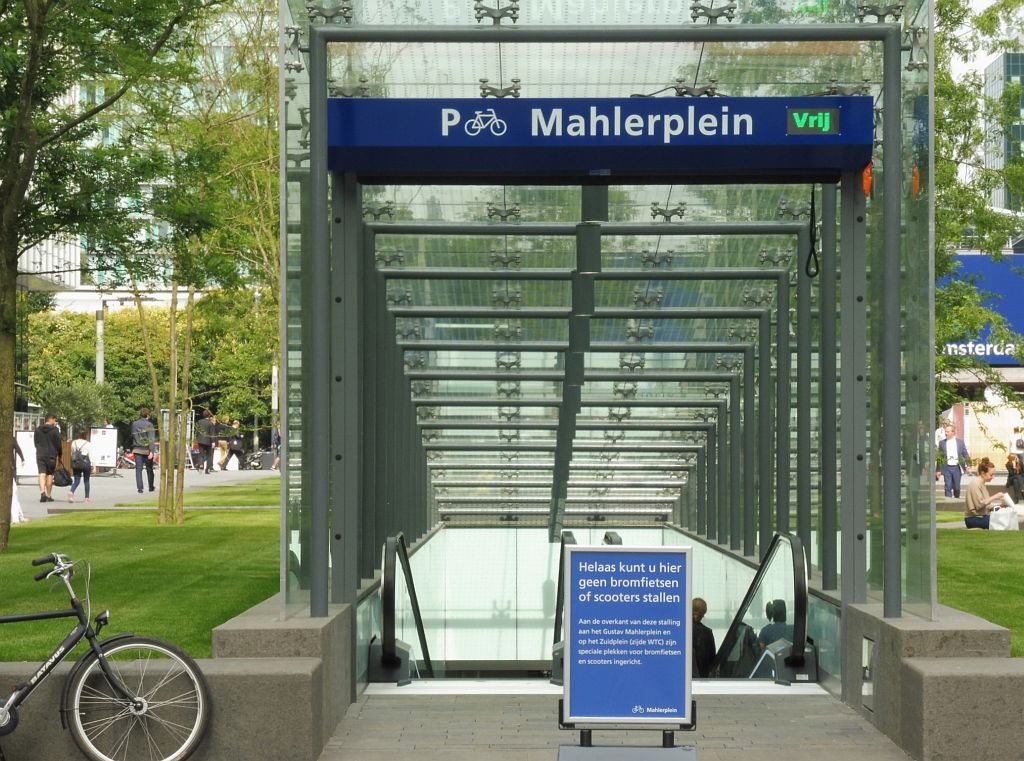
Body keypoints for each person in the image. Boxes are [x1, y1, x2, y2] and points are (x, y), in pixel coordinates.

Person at [964, 457, 1024, 528]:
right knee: (1003, 521)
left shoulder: (981, 484)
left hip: (980, 517)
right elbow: (979, 505)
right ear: (983, 473)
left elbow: (987, 505)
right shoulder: (975, 484)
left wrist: (1000, 505)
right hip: (974, 518)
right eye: (991, 475)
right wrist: (995, 497)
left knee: (1008, 517)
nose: (993, 477)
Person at [936, 421, 970, 499]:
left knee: (957, 488)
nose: (946, 433)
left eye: (947, 432)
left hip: (957, 468)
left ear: (953, 432)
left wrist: (969, 465)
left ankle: (956, 501)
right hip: (946, 468)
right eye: (945, 431)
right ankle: (948, 503)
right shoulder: (942, 443)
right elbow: (939, 458)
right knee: (947, 486)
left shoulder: (960, 442)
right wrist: (938, 470)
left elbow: (965, 454)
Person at [33, 413, 62, 503]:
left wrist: (39, 449)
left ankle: (42, 493)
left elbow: (35, 442)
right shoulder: (55, 430)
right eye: (55, 420)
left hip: (40, 454)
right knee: (49, 474)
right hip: (51, 455)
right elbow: (58, 444)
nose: (55, 422)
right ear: (51, 419)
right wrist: (60, 454)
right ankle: (49, 495)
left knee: (41, 473)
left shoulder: (38, 429)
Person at [130, 407, 157, 494]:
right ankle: (151, 486)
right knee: (149, 469)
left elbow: (133, 436)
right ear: (148, 415)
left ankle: (140, 488)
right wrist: (152, 451)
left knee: (138, 470)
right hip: (146, 450)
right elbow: (151, 439)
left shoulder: (134, 424)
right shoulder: (149, 425)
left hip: (137, 449)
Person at [692, 597, 717, 678]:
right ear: (703, 614)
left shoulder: (678, 629)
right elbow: (712, 660)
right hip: (701, 679)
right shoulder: (707, 633)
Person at [69, 429, 93, 504]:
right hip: (85, 461)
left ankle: (71, 492)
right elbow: (91, 455)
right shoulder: (88, 443)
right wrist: (94, 466)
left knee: (77, 479)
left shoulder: (74, 442)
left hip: (76, 462)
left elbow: (72, 453)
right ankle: (86, 498)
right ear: (85, 435)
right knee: (86, 480)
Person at [196, 409, 216, 474]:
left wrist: (197, 438)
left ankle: (201, 464)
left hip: (200, 439)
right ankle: (207, 469)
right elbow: (212, 433)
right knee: (209, 455)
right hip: (208, 441)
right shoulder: (211, 423)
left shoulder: (199, 421)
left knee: (201, 454)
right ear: (209, 415)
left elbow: (198, 431)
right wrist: (213, 442)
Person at [11, 437, 27, 523]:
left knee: (13, 493)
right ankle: (18, 517)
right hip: (11, 468)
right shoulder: (11, 439)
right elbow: (18, 449)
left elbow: (18, 449)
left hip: (10, 468)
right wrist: (22, 459)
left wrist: (22, 458)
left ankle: (18, 516)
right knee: (14, 493)